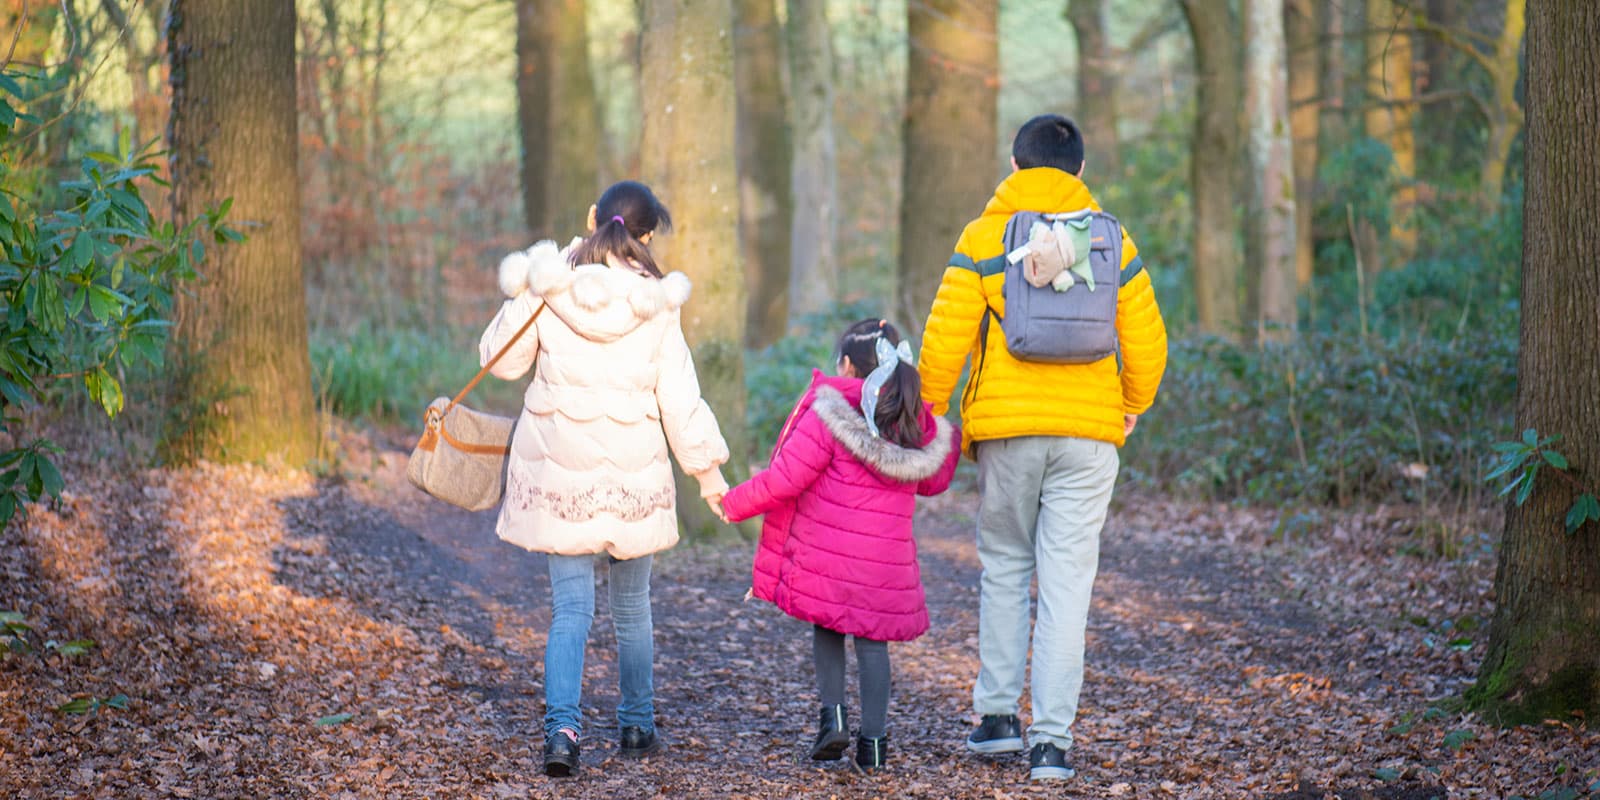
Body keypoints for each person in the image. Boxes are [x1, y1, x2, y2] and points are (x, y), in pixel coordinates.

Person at [915, 114, 1168, 782]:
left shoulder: (983, 237)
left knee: (1004, 566)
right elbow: (1147, 342)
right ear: (1080, 172)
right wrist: (1131, 406)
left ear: (1013, 164)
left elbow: (944, 340)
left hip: (1007, 433)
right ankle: (1052, 743)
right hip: (1089, 435)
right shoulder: (1113, 240)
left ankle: (998, 718)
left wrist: (928, 415)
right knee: (1067, 584)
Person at [478, 180, 731, 777]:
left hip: (561, 475)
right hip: (633, 479)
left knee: (571, 610)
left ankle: (562, 733)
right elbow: (681, 398)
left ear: (592, 219)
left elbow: (499, 360)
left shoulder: (551, 285)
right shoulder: (657, 304)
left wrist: (534, 285)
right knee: (633, 609)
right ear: (644, 238)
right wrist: (709, 473)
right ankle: (637, 727)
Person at [719, 319, 961, 772]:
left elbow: (784, 480)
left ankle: (832, 719)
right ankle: (874, 747)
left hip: (827, 559)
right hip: (885, 564)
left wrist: (733, 504)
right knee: (874, 645)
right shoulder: (907, 421)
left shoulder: (827, 414)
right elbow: (936, 479)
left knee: (827, 626)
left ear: (847, 365)